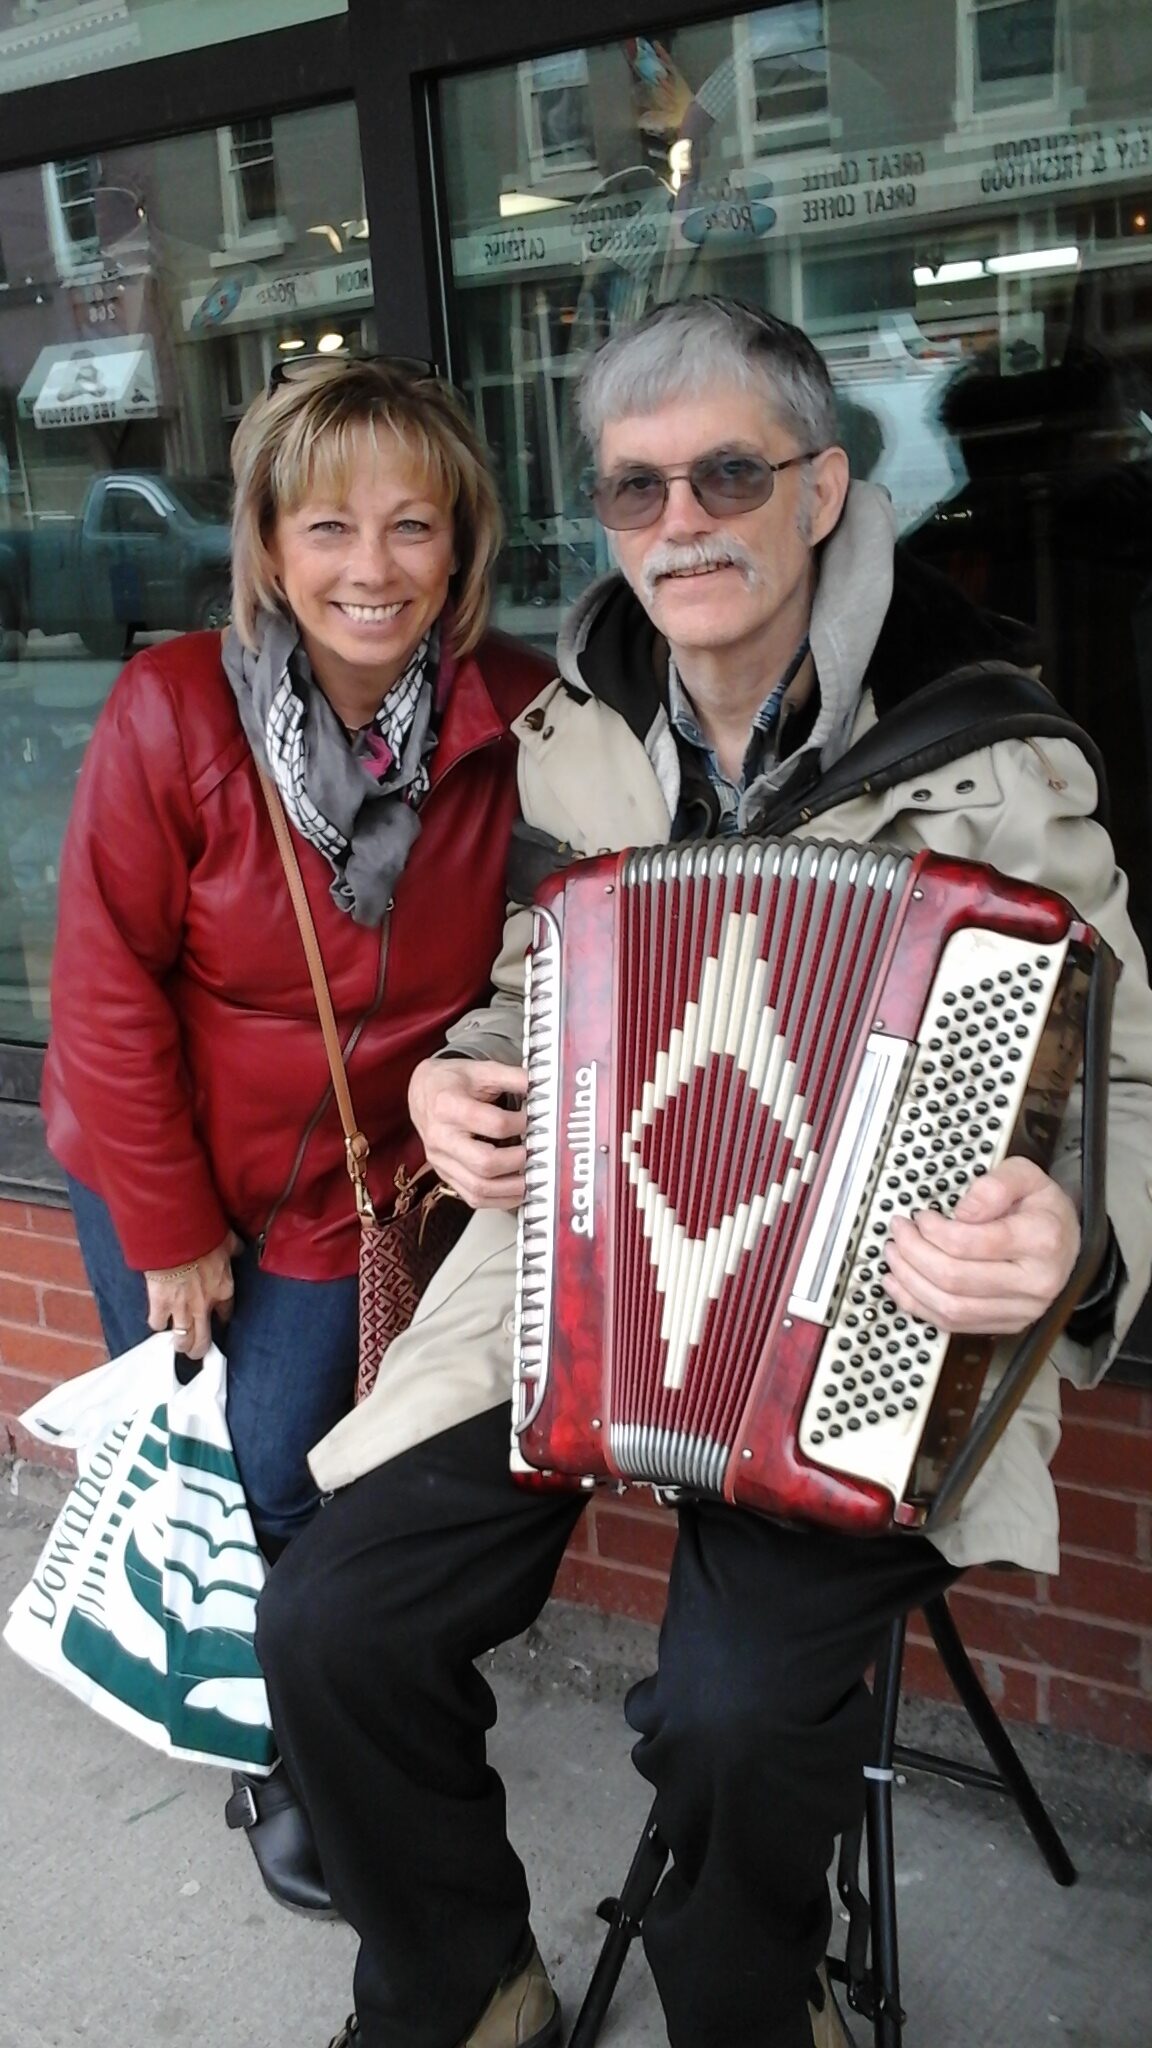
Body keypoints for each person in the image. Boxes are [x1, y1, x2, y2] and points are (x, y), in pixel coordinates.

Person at [256, 299, 1152, 2048]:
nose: (680, 523)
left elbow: (1123, 1073)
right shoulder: (580, 730)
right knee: (331, 1616)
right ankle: (462, 1987)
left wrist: (1071, 1230)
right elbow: (531, 985)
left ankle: (751, 1998)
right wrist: (456, 1078)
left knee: (732, 1711)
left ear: (819, 488)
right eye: (636, 488)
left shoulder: (993, 748)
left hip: (885, 1320)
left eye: (727, 475)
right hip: (583, 1272)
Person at [42, 353, 550, 1557]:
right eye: (328, 526)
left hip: (352, 1177)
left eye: (411, 525)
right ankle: (225, 1674)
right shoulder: (172, 706)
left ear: (460, 546)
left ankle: (285, 1677)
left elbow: (567, 943)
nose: (372, 568)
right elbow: (105, 991)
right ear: (270, 548)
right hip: (153, 1156)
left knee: (277, 1469)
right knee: (184, 1466)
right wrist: (169, 1226)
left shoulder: (526, 714)